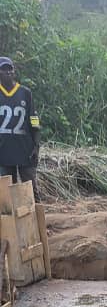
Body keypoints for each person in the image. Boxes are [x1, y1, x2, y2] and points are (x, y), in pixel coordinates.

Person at [0, 57, 41, 200]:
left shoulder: (25, 93)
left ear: (14, 71)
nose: (8, 72)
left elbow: (34, 121)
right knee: (6, 192)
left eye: (10, 69)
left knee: (30, 188)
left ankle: (35, 213)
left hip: (25, 149)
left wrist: (36, 146)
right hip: (3, 150)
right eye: (4, 69)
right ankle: (11, 216)